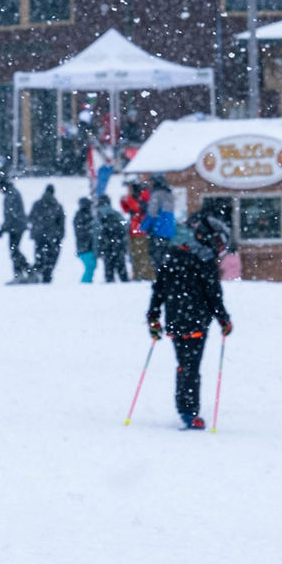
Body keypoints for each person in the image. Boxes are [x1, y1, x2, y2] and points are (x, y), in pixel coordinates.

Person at [147, 212, 233, 430]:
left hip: (176, 321)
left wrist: (153, 317)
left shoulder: (173, 257)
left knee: (185, 365)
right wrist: (224, 320)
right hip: (196, 322)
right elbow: (213, 296)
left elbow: (158, 291)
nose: (219, 248)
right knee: (190, 366)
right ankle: (188, 411)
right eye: (218, 241)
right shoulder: (205, 262)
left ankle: (186, 407)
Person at [0, 179, 34, 282]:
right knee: (14, 250)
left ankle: (25, 272)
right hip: (17, 226)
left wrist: (2, 229)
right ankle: (24, 272)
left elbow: (10, 214)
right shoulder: (13, 192)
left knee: (14, 251)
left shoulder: (10, 195)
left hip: (16, 227)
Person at [28, 184, 65, 283]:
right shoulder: (57, 205)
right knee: (50, 258)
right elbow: (61, 222)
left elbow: (31, 218)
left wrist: (37, 228)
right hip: (52, 236)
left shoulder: (37, 204)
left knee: (39, 256)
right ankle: (46, 276)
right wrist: (60, 235)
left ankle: (36, 274)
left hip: (39, 236)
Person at [121, 180, 154, 280]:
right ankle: (138, 274)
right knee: (135, 254)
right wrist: (123, 201)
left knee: (141, 255)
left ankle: (146, 275)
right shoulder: (136, 196)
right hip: (135, 230)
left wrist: (128, 199)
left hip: (140, 230)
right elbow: (127, 209)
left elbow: (137, 209)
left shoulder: (143, 196)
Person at [144, 174, 176, 270]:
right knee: (166, 257)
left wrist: (143, 227)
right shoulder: (169, 194)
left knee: (156, 257)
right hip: (169, 230)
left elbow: (152, 213)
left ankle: (160, 279)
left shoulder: (156, 194)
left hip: (158, 230)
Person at [96, 195, 129, 283]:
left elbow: (96, 232)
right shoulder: (116, 213)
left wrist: (98, 248)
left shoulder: (98, 215)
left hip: (106, 245)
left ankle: (110, 283)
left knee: (108, 267)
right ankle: (125, 282)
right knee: (121, 266)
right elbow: (125, 227)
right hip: (119, 244)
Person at [73, 197, 97, 283]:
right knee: (90, 266)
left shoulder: (80, 216)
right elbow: (82, 231)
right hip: (86, 246)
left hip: (84, 246)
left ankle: (87, 282)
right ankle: (85, 283)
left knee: (91, 266)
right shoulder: (84, 216)